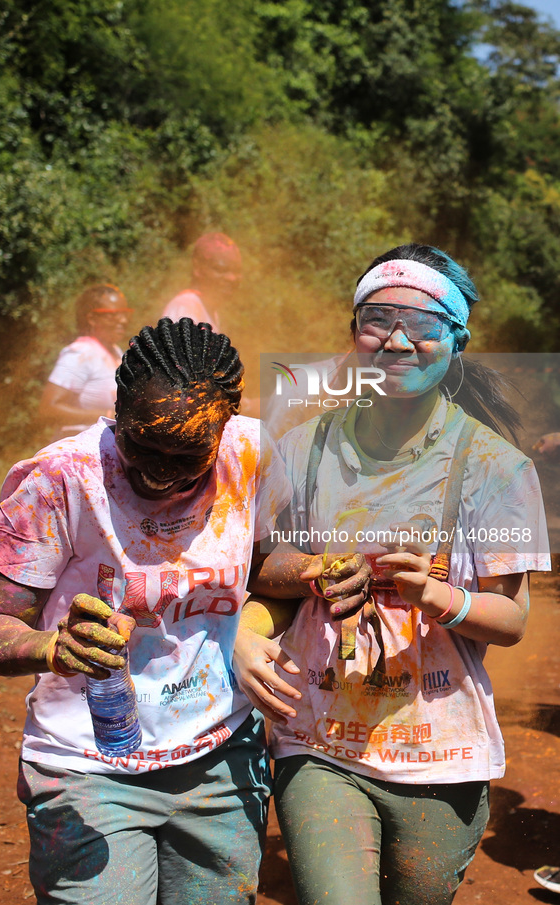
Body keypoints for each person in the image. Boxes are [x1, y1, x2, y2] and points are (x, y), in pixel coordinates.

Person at [235, 244, 551, 905]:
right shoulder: (302, 446)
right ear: (353, 332)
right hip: (316, 737)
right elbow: (267, 566)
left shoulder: (497, 469)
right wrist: (306, 576)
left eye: (424, 323)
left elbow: (510, 618)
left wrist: (432, 594)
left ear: (456, 341)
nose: (398, 339)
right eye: (378, 318)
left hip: (443, 755)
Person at [0, 317, 291, 905]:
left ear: (224, 429)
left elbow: (269, 570)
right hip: (86, 766)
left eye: (188, 453)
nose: (160, 468)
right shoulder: (62, 479)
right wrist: (50, 648)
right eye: (142, 443)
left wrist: (298, 587)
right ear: (117, 407)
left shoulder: (251, 455)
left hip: (219, 758)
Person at [39, 283, 132, 437]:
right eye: (114, 314)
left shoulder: (116, 352)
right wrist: (108, 414)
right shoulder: (80, 353)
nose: (123, 320)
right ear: (92, 318)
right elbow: (48, 409)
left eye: (125, 313)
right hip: (78, 451)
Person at [161, 232, 243, 332]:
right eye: (220, 270)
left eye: (237, 271)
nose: (231, 278)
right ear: (197, 268)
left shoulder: (208, 310)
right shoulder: (186, 308)